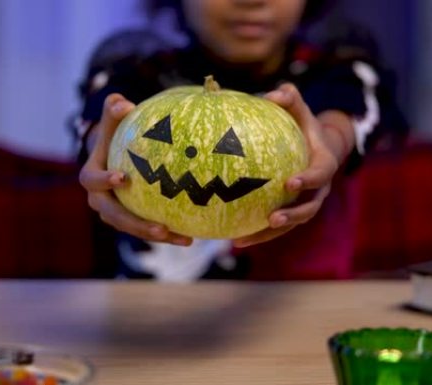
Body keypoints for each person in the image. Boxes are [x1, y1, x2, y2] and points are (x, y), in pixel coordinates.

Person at [76, 0, 408, 280]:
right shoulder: (138, 69)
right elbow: (101, 121)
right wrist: (100, 152)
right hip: (145, 321)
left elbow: (344, 114)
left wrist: (326, 147)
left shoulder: (338, 66)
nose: (252, 1)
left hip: (302, 316)